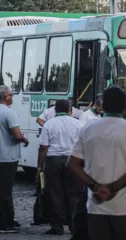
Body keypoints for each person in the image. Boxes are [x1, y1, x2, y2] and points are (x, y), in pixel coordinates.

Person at [67, 86, 126, 240]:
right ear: (125, 107)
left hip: (96, 206)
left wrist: (95, 186)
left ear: (102, 106)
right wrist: (112, 188)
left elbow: (72, 164)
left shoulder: (88, 130)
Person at [38, 100, 82, 235]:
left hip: (54, 161)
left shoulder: (49, 124)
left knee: (55, 194)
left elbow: (43, 147)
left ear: (55, 110)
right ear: (70, 110)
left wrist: (40, 166)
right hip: (73, 161)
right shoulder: (78, 124)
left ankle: (57, 227)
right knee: (74, 194)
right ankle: (74, 226)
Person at [71, 97, 103, 240]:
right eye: (100, 109)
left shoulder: (102, 117)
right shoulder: (86, 116)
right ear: (95, 105)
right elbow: (82, 135)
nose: (102, 111)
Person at [0, 85, 29, 234]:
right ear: (5, 97)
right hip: (7, 157)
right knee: (5, 192)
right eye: (11, 95)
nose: (13, 97)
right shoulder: (9, 112)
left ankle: (8, 219)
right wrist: (25, 140)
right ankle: (5, 223)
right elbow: (17, 135)